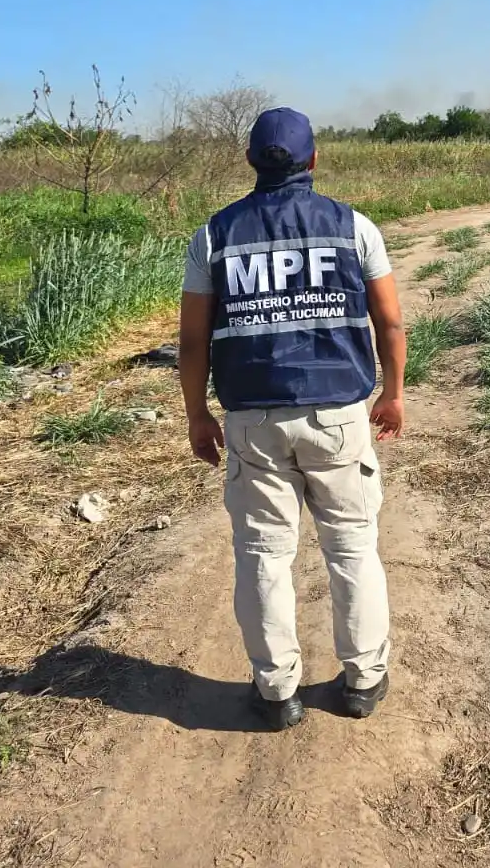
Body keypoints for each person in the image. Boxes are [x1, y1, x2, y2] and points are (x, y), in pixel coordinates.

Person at [178, 107, 406, 730]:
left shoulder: (215, 236)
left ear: (250, 160)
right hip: (338, 415)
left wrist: (197, 414)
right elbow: (388, 321)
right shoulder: (355, 227)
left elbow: (193, 341)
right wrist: (393, 393)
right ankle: (362, 681)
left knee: (261, 555)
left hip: (253, 421)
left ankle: (277, 692)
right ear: (313, 161)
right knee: (353, 549)